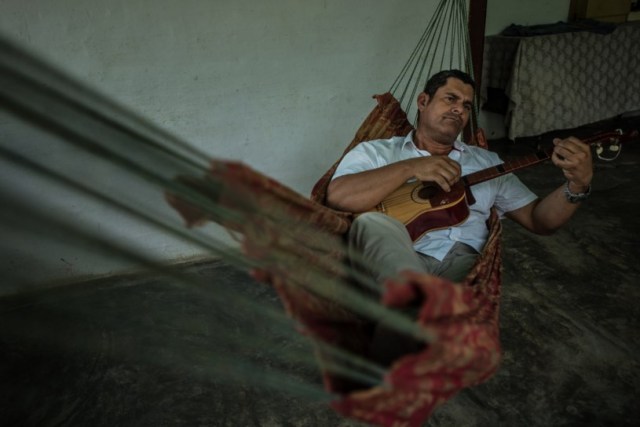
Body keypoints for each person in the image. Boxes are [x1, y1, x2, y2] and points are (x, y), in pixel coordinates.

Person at [325, 69, 593, 365]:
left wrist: (577, 186)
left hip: (463, 265)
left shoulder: (487, 163)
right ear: (423, 101)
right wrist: (408, 168)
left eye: (466, 105)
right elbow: (338, 195)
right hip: (396, 256)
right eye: (450, 98)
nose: (459, 108)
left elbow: (539, 221)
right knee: (371, 222)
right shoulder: (377, 152)